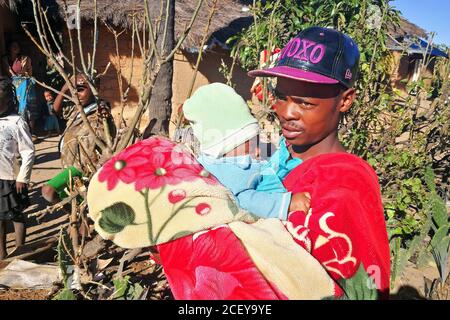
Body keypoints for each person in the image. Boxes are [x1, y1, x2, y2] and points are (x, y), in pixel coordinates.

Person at [156, 26, 391, 299]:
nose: (286, 112)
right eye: (281, 96)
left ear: (345, 100)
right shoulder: (268, 155)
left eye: (305, 103)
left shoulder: (345, 188)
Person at [182, 82, 310, 219]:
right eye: (250, 146)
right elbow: (246, 201)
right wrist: (286, 204)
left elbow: (265, 172)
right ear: (225, 147)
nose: (257, 152)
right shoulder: (226, 172)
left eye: (257, 142)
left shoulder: (231, 160)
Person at [41, 74, 116, 204]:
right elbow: (54, 110)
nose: (76, 94)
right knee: (80, 205)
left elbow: (107, 145)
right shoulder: (77, 109)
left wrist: (103, 109)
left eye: (81, 89)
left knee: (48, 191)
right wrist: (64, 89)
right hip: (70, 167)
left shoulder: (99, 113)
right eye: (73, 90)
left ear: (93, 89)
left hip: (82, 169)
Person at [0, 76, 35, 260]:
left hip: (12, 178)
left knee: (16, 215)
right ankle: (2, 254)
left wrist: (23, 177)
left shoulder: (16, 122)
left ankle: (21, 252)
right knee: (0, 217)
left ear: (8, 99)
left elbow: (28, 151)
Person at [2, 41, 39, 138]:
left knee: (29, 107)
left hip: (26, 86)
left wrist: (24, 77)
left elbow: (30, 72)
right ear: (9, 48)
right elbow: (9, 73)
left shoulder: (24, 58)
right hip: (13, 87)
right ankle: (21, 133)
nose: (16, 47)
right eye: (13, 46)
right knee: (16, 108)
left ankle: (32, 132)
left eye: (17, 46)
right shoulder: (5, 60)